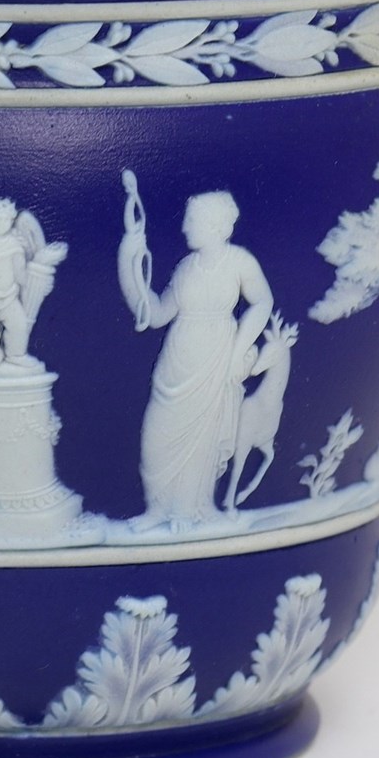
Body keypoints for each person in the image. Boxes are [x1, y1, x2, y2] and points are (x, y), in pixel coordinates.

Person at [118, 189, 273, 526]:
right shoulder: (187, 267)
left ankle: (185, 511)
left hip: (214, 359)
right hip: (176, 363)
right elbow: (157, 313)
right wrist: (129, 265)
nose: (185, 227)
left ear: (215, 225)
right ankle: (157, 509)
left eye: (192, 221)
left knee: (202, 437)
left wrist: (237, 353)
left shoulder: (239, 262)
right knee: (156, 439)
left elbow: (263, 302)